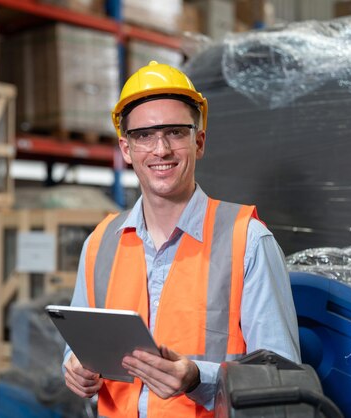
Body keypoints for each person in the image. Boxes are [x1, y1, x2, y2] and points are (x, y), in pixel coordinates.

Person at [63, 61, 301, 417]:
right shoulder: (100, 243)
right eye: (144, 135)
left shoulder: (247, 240)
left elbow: (282, 382)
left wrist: (197, 378)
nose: (161, 149)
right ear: (126, 149)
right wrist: (74, 367)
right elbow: (80, 347)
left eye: (175, 132)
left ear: (199, 141)